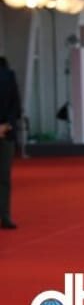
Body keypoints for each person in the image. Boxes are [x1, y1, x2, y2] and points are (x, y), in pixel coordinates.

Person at [0, 56, 21, 229]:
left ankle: (5, 215)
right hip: (5, 130)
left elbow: (16, 106)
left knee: (4, 176)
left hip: (5, 132)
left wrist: (6, 125)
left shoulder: (8, 74)